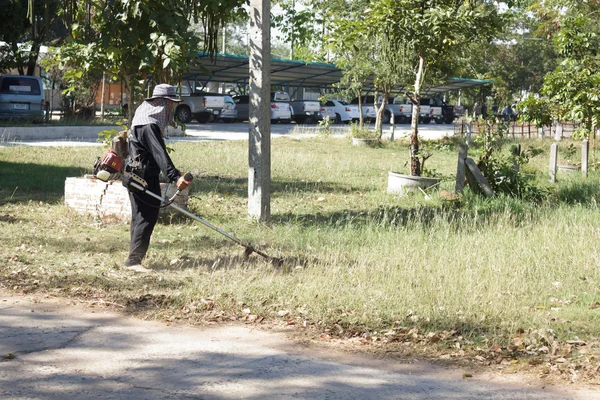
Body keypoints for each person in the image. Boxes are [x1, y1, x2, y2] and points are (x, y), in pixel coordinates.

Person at [124, 84, 191, 273]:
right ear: (161, 104)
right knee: (147, 216)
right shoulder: (149, 126)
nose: (171, 110)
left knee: (139, 217)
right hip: (143, 176)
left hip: (135, 174)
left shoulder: (141, 117)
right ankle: (133, 262)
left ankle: (133, 258)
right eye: (170, 105)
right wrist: (175, 177)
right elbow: (160, 154)